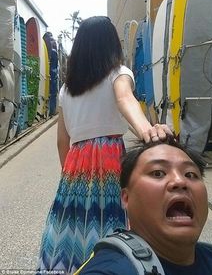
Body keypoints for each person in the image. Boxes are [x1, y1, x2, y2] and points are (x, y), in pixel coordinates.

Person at [36, 16, 171, 274]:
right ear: (111, 45)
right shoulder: (118, 74)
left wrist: (70, 176)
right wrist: (148, 132)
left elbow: (62, 140)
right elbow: (125, 99)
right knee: (111, 221)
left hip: (75, 163)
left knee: (74, 224)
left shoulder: (68, 89)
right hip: (109, 159)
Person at [78, 135, 212, 274]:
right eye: (158, 173)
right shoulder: (111, 268)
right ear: (126, 198)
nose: (180, 181)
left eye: (190, 174)